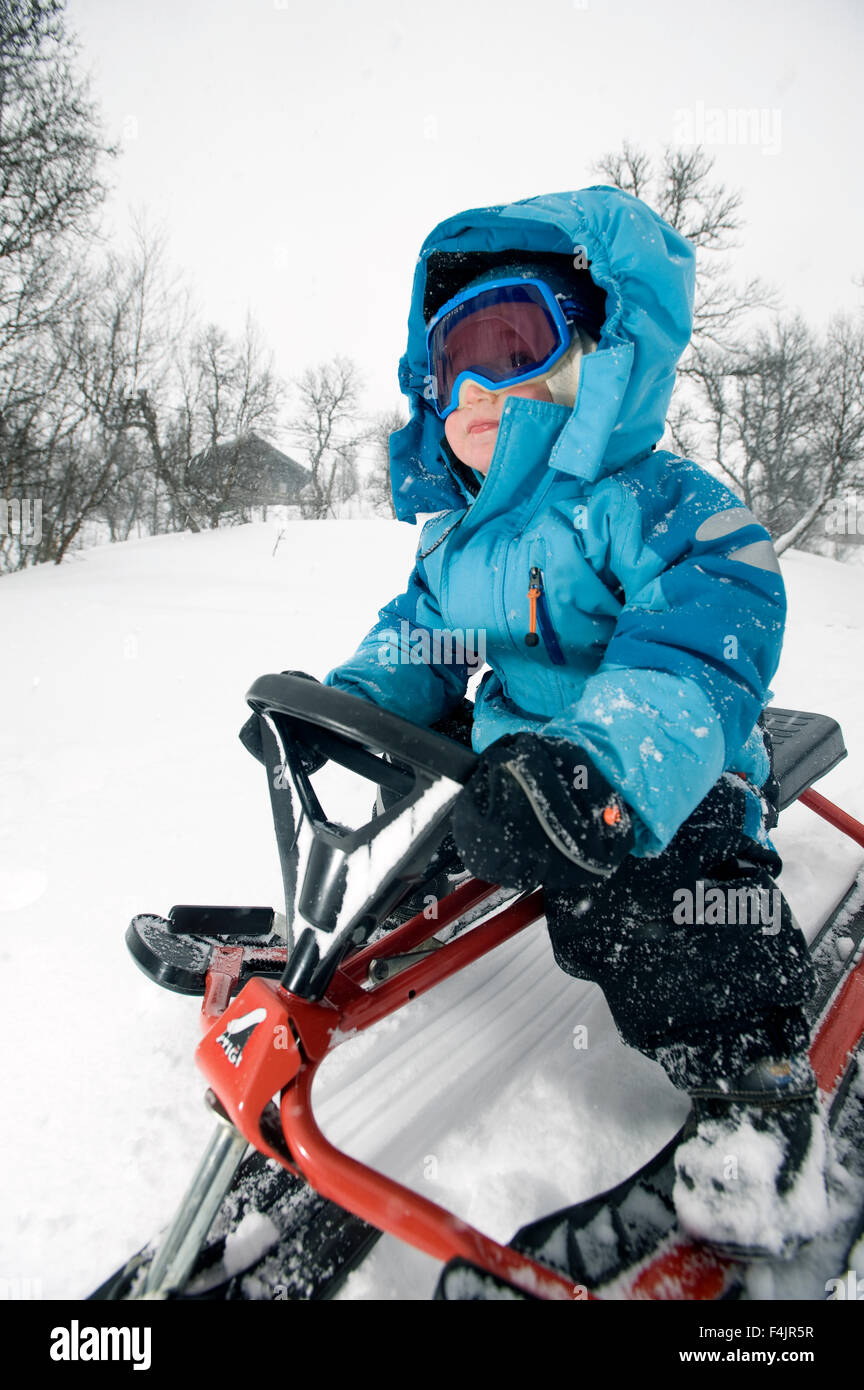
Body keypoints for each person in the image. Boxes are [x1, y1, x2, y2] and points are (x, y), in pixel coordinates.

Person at [312, 186, 829, 1259]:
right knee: (435, 844)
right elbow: (425, 638)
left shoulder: (659, 503)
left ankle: (754, 1073)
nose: (481, 383)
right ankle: (319, 947)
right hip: (519, 772)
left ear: (601, 355)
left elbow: (706, 630)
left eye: (518, 340)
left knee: (662, 903)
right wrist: (354, 709)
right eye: (455, 361)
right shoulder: (456, 543)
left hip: (659, 772)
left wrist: (603, 764)